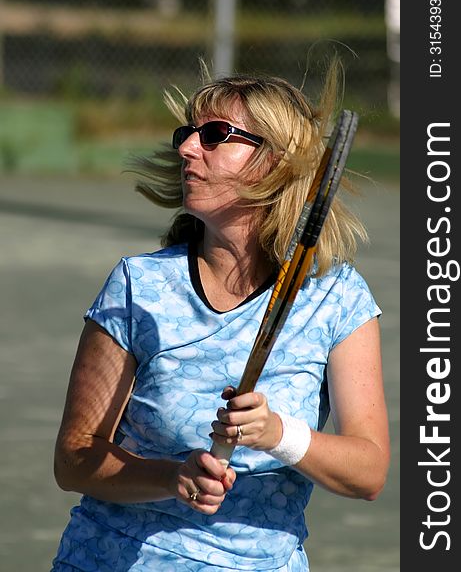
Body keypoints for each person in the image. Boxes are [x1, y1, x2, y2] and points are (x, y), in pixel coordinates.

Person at [51, 61, 390, 571]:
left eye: (215, 136)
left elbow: (368, 471)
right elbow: (76, 456)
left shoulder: (337, 299)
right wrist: (170, 477)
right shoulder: (138, 286)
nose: (187, 148)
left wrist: (279, 434)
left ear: (274, 162)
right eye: (187, 135)